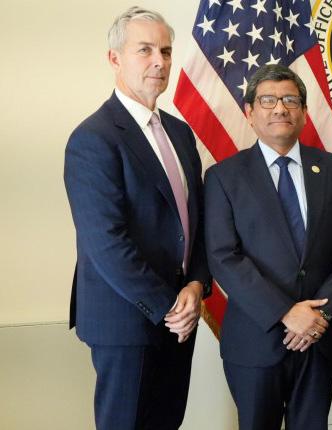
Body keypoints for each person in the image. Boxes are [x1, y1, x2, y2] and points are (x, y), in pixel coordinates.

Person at [63, 7, 210, 429]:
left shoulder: (180, 133)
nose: (159, 61)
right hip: (127, 321)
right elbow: (106, 243)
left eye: (165, 51)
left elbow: (197, 222)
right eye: (144, 50)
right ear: (115, 58)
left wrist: (196, 285)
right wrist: (169, 307)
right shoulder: (93, 138)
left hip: (181, 315)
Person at [204, 64, 332, 430]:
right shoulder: (223, 177)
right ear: (250, 113)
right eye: (268, 100)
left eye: (290, 100)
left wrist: (321, 316)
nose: (280, 108)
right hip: (255, 339)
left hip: (320, 337)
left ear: (304, 112)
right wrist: (285, 312)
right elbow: (223, 256)